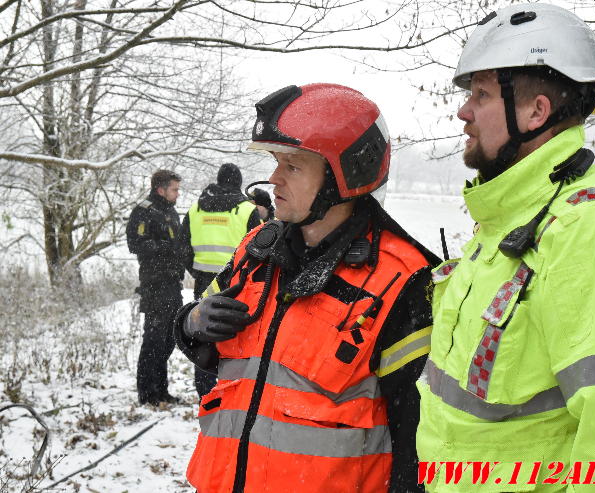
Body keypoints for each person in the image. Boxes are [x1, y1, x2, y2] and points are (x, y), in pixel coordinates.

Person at [416, 4, 595, 492]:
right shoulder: (510, 221)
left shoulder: (589, 228)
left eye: (479, 94)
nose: (464, 111)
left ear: (535, 111)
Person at [172, 83, 439, 493]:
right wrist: (191, 323)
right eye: (277, 163)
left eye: (292, 166)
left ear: (345, 176)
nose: (274, 179)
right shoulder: (257, 250)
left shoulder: (401, 279)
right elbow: (213, 346)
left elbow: (417, 437)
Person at [178, 163, 262, 399]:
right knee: (236, 333)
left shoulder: (195, 209)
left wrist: (197, 272)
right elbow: (261, 248)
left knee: (203, 330)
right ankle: (234, 392)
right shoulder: (247, 209)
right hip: (237, 282)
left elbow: (183, 247)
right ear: (237, 183)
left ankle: (205, 391)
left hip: (204, 280)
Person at [126, 169, 185, 406]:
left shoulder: (170, 211)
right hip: (155, 284)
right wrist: (166, 249)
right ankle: (147, 393)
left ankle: (162, 391)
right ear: (161, 189)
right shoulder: (144, 211)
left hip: (173, 284)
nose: (178, 194)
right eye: (174, 189)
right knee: (153, 340)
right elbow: (135, 243)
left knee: (170, 339)